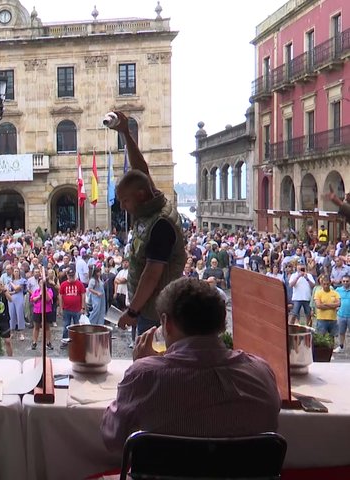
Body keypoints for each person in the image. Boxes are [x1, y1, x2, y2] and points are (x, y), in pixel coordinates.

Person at [101, 277, 280, 452]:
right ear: (221, 324)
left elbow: (112, 439)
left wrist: (141, 370)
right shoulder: (261, 373)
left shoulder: (144, 376)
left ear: (167, 323)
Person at [111, 111, 186, 336]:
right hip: (147, 308)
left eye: (125, 200)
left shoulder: (161, 224)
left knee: (149, 361)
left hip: (155, 313)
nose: (123, 207)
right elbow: (140, 168)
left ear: (142, 195)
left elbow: (152, 274)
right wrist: (125, 132)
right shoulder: (150, 203)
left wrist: (132, 312)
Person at [59, 269, 85, 345]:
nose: (71, 278)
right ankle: (65, 341)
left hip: (77, 309)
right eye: (70, 276)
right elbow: (60, 296)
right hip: (66, 309)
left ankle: (78, 341)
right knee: (66, 326)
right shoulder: (63, 284)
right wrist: (61, 308)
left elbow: (83, 295)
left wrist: (83, 307)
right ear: (67, 276)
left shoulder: (79, 284)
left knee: (77, 326)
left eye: (72, 276)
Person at [30, 278, 55, 351]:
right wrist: (39, 296)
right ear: (38, 284)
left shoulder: (49, 290)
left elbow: (48, 299)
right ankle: (34, 342)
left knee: (47, 327)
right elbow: (32, 299)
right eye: (40, 283)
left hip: (46, 311)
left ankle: (49, 342)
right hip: (37, 311)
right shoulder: (36, 291)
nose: (42, 284)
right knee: (36, 327)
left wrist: (45, 291)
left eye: (43, 283)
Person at [314, 275, 341, 339]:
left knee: (332, 337)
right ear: (322, 284)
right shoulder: (318, 293)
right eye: (324, 284)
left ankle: (331, 349)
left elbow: (339, 304)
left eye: (327, 284)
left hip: (333, 319)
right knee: (321, 337)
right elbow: (318, 305)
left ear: (330, 283)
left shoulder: (335, 293)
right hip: (321, 319)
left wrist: (325, 304)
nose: (326, 286)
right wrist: (332, 306)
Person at [335, 275, 350, 353]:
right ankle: (341, 346)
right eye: (344, 281)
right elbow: (334, 299)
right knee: (341, 332)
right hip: (341, 315)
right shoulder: (338, 290)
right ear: (341, 281)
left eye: (347, 281)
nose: (345, 283)